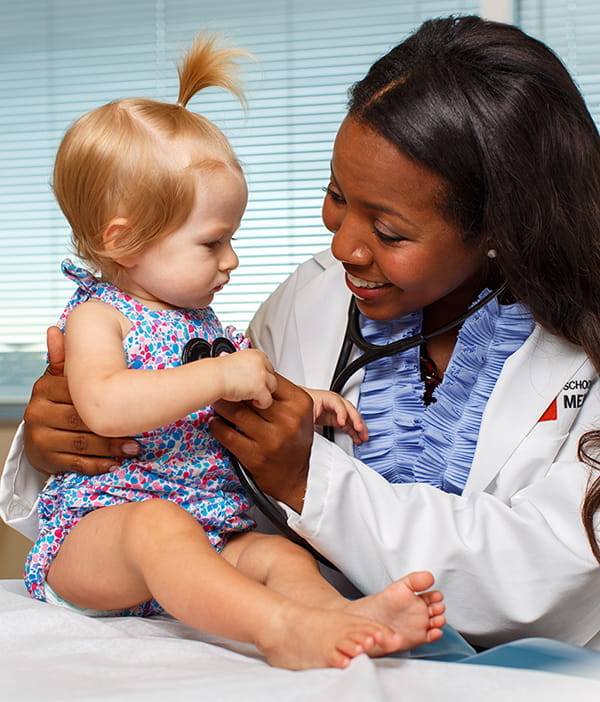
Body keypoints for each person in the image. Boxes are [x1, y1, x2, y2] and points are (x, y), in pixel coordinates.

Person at [1, 15, 599, 653]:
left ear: (500, 231)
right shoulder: (309, 295)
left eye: (389, 231)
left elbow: (551, 579)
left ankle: (332, 622)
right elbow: (197, 473)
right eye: (337, 195)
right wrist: (56, 443)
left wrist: (307, 476)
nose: (341, 246)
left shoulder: (580, 351)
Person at [14, 35, 448, 672]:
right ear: (126, 240)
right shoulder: (97, 317)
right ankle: (278, 631)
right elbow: (106, 407)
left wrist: (308, 399)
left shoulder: (204, 321)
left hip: (209, 526)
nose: (232, 261)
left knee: (279, 557)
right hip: (103, 534)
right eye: (213, 243)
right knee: (159, 528)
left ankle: (335, 617)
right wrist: (218, 375)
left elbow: (256, 381)